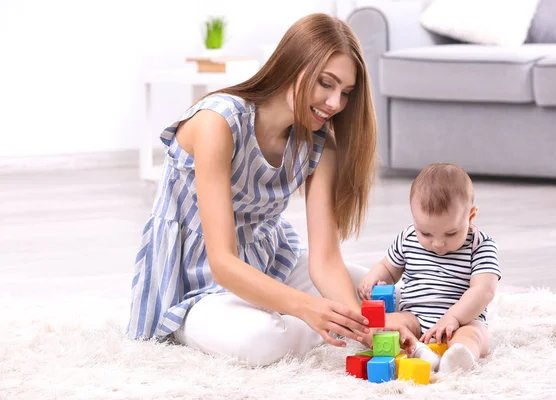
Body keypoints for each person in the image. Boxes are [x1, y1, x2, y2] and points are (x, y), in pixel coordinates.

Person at [126, 13, 379, 366]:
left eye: (346, 93)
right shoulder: (219, 122)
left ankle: (309, 323)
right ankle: (297, 325)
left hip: (270, 261)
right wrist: (310, 308)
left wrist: (366, 329)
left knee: (371, 288)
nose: (335, 103)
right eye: (326, 83)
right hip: (199, 283)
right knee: (260, 340)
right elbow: (223, 263)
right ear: (293, 65)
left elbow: (325, 260)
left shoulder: (322, 142)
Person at [358, 163, 501, 373]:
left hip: (461, 321)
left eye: (451, 234)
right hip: (413, 317)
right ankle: (418, 350)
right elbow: (388, 269)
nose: (437, 244)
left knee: (475, 334)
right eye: (425, 233)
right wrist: (373, 279)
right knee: (380, 326)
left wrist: (454, 317)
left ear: (470, 216)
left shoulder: (481, 246)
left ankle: (458, 359)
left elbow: (484, 290)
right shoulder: (408, 238)